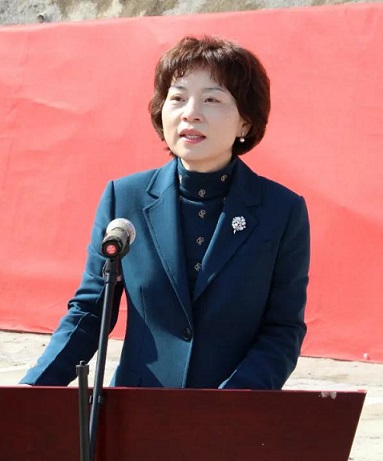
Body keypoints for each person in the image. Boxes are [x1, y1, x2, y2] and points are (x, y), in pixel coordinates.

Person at [20, 35, 310, 390]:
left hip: (232, 414)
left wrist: (231, 404)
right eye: (178, 98)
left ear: (245, 123)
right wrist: (29, 392)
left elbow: (283, 329)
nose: (191, 113)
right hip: (136, 409)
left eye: (212, 99)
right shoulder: (124, 198)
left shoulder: (281, 211)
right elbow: (90, 312)